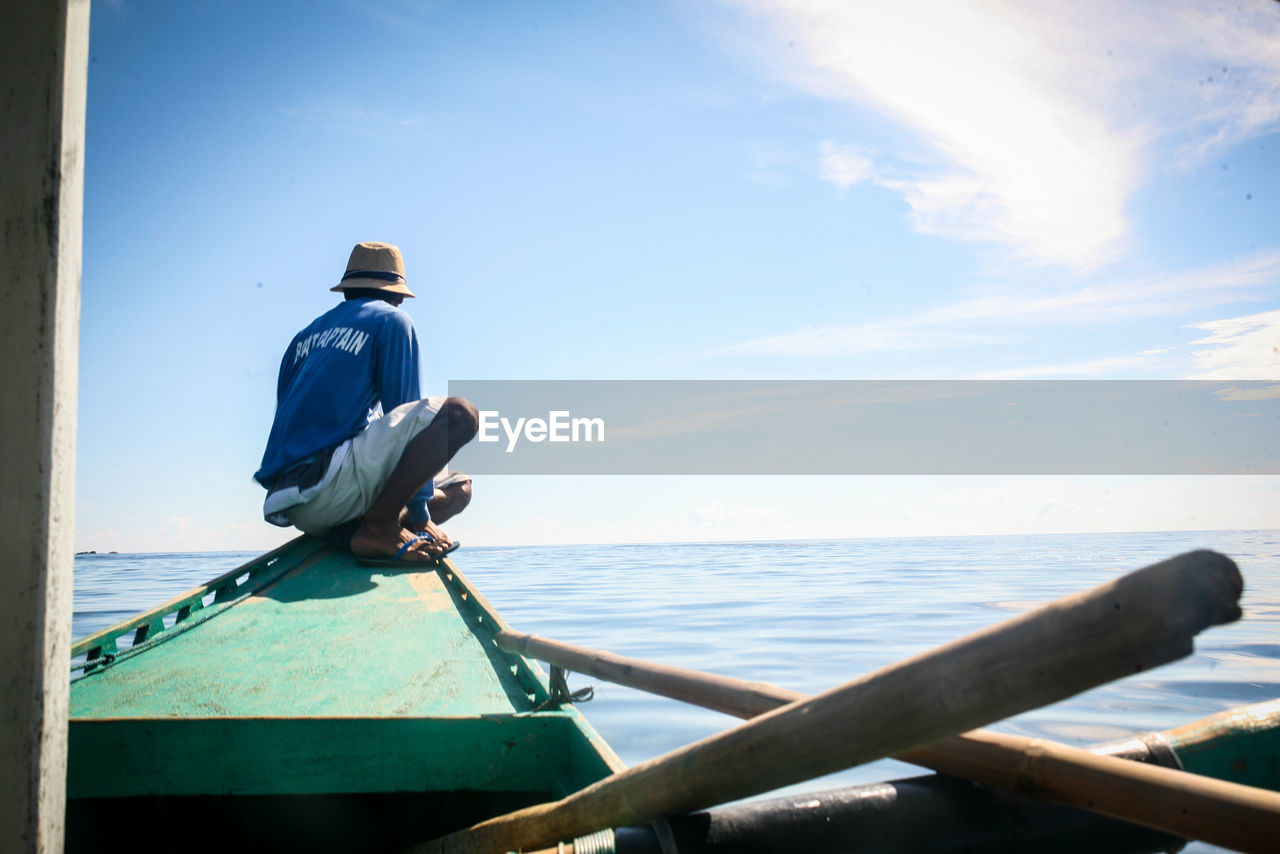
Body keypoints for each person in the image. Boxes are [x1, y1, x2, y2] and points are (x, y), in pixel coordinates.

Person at [254, 241, 478, 563]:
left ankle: (352, 530)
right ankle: (380, 527)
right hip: (330, 484)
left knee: (459, 486)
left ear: (346, 291)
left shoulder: (301, 338)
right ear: (398, 295)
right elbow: (403, 410)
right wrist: (419, 514)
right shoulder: (392, 321)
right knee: (460, 416)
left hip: (293, 502)